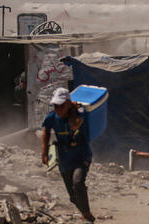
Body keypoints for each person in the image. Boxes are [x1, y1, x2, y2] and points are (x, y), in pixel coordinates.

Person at [41, 87, 95, 223]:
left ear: (68, 103)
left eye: (61, 105)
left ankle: (87, 215)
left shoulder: (80, 114)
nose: (58, 108)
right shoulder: (51, 117)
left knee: (77, 183)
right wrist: (44, 152)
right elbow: (46, 132)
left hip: (81, 157)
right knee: (72, 196)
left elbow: (75, 125)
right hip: (65, 159)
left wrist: (73, 110)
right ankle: (85, 212)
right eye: (55, 105)